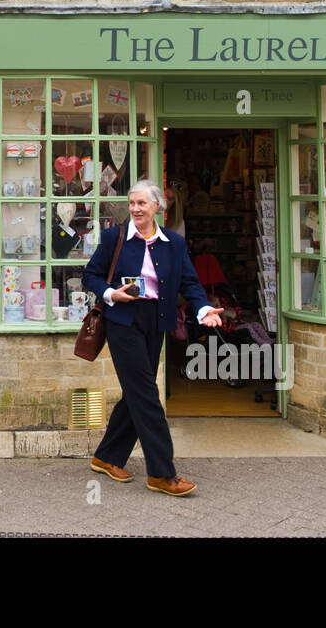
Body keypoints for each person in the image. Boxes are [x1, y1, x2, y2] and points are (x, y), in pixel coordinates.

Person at [82, 179, 221, 496]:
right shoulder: (114, 237)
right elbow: (90, 274)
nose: (135, 209)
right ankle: (161, 473)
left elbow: (190, 283)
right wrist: (110, 293)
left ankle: (106, 457)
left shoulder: (173, 242)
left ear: (158, 206)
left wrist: (203, 311)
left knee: (136, 391)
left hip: (156, 321)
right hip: (122, 320)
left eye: (141, 203)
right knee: (147, 395)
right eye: (131, 204)